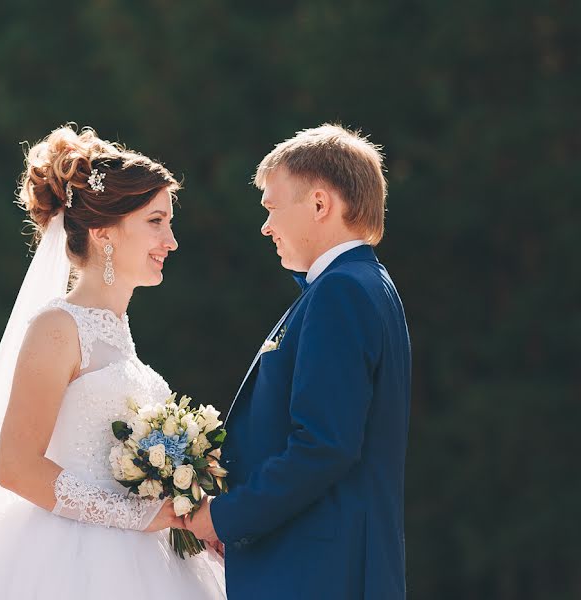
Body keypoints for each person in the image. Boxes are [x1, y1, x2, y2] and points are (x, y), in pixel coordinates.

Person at [0, 125, 225, 599]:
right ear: (104, 234)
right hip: (69, 564)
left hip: (144, 558)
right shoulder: (58, 327)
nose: (171, 241)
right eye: (156, 221)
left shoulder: (117, 331)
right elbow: (15, 466)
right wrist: (135, 515)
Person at [185, 124, 412, 599]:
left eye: (271, 207)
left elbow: (324, 445)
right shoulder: (362, 284)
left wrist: (226, 518)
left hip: (319, 573)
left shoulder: (340, 292)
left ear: (319, 204)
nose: (265, 226)